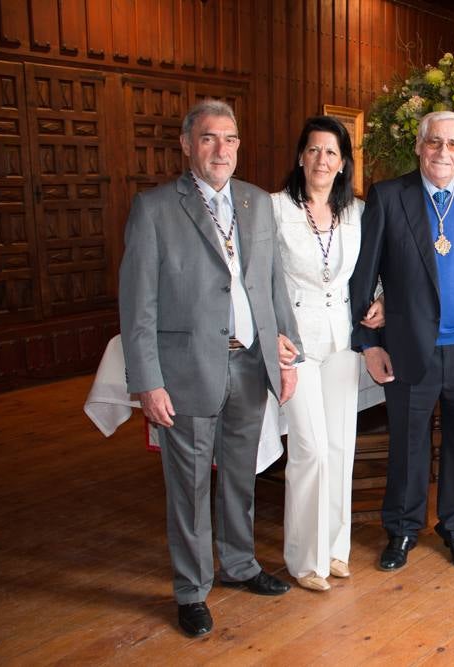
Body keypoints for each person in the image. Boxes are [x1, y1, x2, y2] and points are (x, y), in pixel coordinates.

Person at [119, 99, 302, 637]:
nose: (221, 150)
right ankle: (192, 589)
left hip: (250, 363)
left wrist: (285, 353)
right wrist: (147, 382)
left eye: (230, 139)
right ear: (186, 144)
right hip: (186, 371)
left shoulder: (255, 202)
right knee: (190, 486)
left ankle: (241, 566)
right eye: (208, 139)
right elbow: (138, 308)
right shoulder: (153, 209)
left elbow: (273, 284)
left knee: (241, 478)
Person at [349, 110, 454, 572]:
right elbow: (363, 276)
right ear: (419, 146)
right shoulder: (390, 196)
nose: (443, 153)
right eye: (435, 142)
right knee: (409, 443)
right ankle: (402, 529)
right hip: (409, 346)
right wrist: (369, 342)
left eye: (453, 145)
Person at [271, 116, 383, 592]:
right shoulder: (274, 209)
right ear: (300, 157)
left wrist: (383, 300)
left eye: (331, 152)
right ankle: (305, 559)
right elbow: (260, 276)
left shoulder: (356, 212)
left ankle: (336, 549)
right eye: (314, 150)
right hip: (295, 343)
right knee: (310, 450)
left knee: (340, 447)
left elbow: (375, 267)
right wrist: (271, 330)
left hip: (342, 340)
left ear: (343, 164)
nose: (322, 159)